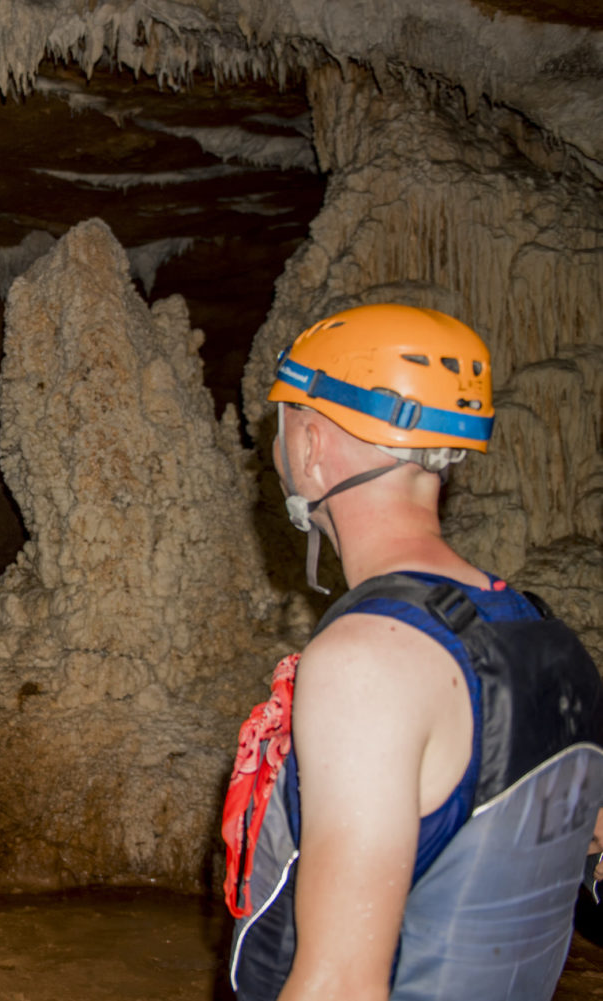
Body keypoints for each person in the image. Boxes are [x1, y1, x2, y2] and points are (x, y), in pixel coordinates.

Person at [221, 304, 603, 1000]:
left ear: (310, 443)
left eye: (280, 426)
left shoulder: (369, 660)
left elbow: (339, 984)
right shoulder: (543, 636)